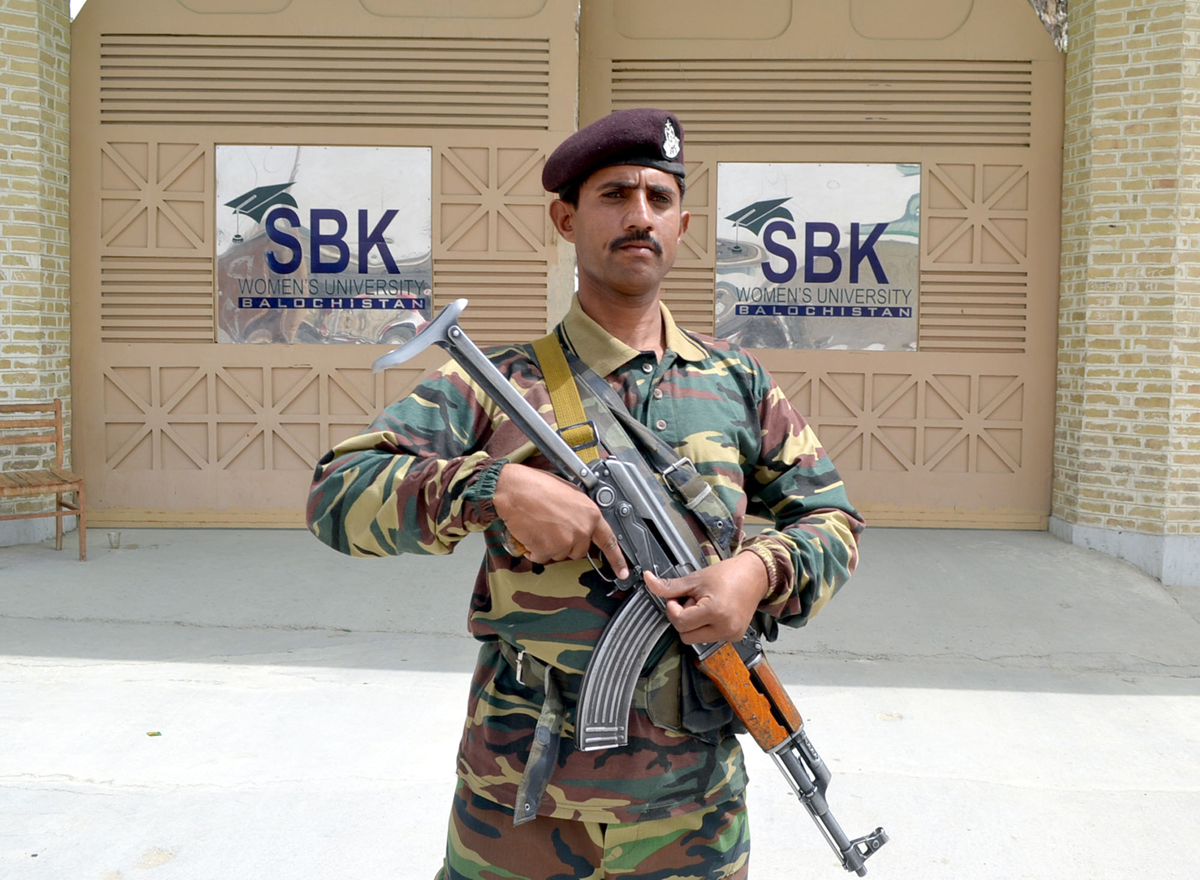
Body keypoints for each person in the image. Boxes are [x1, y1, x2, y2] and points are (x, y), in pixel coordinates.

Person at [306, 108, 863, 879]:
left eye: (659, 199)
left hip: (692, 808)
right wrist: (494, 487)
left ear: (683, 222)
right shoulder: (495, 383)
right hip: (520, 803)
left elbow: (832, 521)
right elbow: (338, 494)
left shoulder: (737, 383)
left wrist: (756, 574)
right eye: (615, 195)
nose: (641, 216)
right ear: (566, 218)